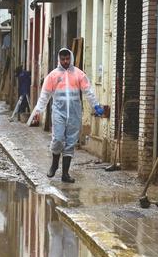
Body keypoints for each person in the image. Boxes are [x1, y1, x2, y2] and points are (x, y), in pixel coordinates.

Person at [31, 48, 104, 183]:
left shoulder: (79, 74)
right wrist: (38, 110)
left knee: (70, 142)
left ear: (70, 58)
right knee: (58, 139)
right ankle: (54, 165)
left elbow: (88, 91)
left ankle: (65, 174)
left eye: (67, 59)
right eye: (63, 59)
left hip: (74, 113)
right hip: (59, 111)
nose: (65, 61)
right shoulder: (52, 76)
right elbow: (45, 95)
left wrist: (96, 105)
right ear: (59, 59)